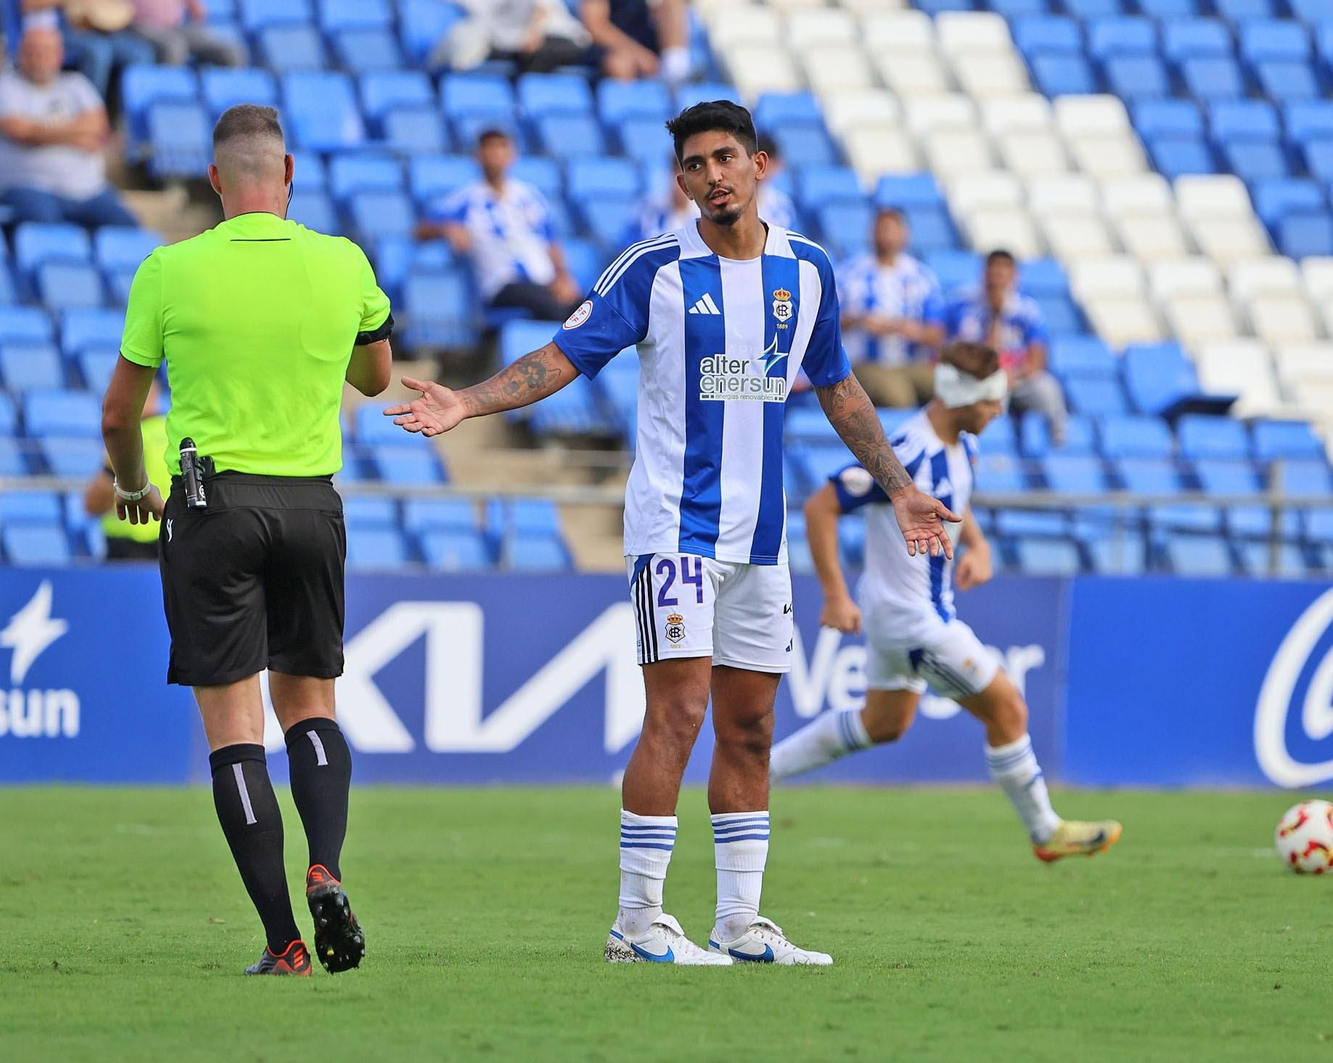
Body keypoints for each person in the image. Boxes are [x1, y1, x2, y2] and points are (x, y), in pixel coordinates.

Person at [386, 100, 958, 966]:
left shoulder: (807, 272)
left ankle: (740, 921)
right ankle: (637, 920)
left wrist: (902, 488)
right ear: (682, 180)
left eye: (725, 157)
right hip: (676, 532)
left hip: (759, 540)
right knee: (679, 710)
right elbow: (563, 355)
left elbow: (839, 387)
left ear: (760, 164)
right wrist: (467, 400)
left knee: (753, 724)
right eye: (694, 164)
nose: (711, 175)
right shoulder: (653, 270)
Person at [100, 104, 393, 977]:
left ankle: (284, 941)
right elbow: (375, 378)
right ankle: (326, 865)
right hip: (311, 504)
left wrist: (129, 483)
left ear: (218, 180)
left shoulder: (170, 268)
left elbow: (120, 413)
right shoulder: (342, 261)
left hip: (210, 506)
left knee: (235, 731)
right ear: (289, 175)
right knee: (312, 707)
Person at [768, 341, 1122, 860]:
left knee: (882, 724)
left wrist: (976, 545)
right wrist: (835, 594)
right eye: (990, 401)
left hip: (910, 611)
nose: (999, 410)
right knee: (1008, 707)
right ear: (961, 399)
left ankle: (760, 770)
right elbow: (821, 507)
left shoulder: (964, 444)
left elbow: (955, 500)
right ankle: (1045, 831)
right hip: (914, 619)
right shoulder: (907, 452)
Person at [413, 128, 582, 322]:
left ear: (512, 155)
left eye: (501, 147)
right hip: (502, 285)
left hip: (542, 280)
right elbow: (420, 230)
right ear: (477, 156)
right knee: (551, 307)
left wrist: (563, 277)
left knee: (585, 308)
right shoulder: (466, 199)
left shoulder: (529, 196)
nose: (495, 154)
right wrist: (446, 228)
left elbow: (550, 241)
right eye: (489, 148)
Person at [0, 26, 139, 228]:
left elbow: (99, 125)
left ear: (59, 55)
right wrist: (78, 136)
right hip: (26, 186)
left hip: (87, 189)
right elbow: (26, 134)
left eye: (47, 51)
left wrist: (44, 133)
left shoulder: (77, 84)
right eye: (33, 50)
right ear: (20, 53)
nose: (40, 57)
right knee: (47, 227)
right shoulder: (3, 87)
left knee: (127, 226)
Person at [946, 249, 1068, 446]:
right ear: (984, 275)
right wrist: (996, 316)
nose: (998, 282)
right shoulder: (967, 307)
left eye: (1004, 275)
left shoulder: (1027, 310)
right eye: (994, 275)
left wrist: (1016, 375)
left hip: (1018, 378)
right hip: (981, 378)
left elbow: (1037, 359)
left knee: (1047, 388)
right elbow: (977, 356)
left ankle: (1059, 442)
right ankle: (991, 446)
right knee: (994, 391)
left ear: (1014, 277)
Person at [837, 207, 945, 409]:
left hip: (911, 363)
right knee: (898, 395)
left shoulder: (922, 276)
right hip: (865, 363)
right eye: (882, 229)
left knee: (952, 390)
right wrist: (861, 321)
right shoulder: (849, 274)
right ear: (871, 233)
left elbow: (936, 333)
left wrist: (913, 331)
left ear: (905, 234)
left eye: (892, 230)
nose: (887, 236)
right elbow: (826, 321)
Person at [84, 379, 168, 560]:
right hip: (168, 541)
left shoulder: (127, 437)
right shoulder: (174, 432)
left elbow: (93, 503)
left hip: (129, 546)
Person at [6, 0, 156, 101]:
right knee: (98, 51)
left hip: (84, 29)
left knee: (140, 53)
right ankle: (91, 110)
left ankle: (127, 123)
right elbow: (28, 4)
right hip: (47, 33)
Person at [436, 0, 590, 74]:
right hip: (512, 45)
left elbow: (542, 9)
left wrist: (533, 33)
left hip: (559, 40)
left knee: (537, 54)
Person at [580, 0, 688, 84]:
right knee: (620, 64)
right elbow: (596, 27)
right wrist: (639, 54)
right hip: (609, 47)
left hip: (644, 43)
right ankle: (627, 108)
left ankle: (675, 73)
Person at [129, 0, 247, 67]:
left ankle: (228, 99)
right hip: (143, 26)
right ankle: (170, 91)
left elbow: (199, 13)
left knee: (231, 51)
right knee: (174, 45)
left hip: (177, 27)